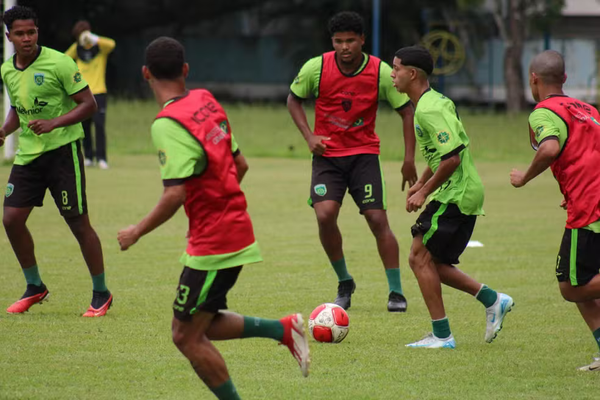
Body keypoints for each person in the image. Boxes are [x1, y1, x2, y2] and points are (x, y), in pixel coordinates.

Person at [117, 37, 310, 399]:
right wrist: (220, 202)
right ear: (186, 70)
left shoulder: (166, 123)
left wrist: (136, 232)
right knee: (198, 322)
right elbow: (240, 164)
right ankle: (283, 329)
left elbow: (174, 194)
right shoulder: (205, 99)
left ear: (145, 74)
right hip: (228, 228)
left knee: (185, 335)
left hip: (215, 239)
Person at [287, 11, 417, 312]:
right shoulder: (316, 68)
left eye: (350, 41)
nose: (344, 47)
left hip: (363, 156)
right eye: (338, 41)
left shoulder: (380, 72)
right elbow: (293, 98)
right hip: (327, 158)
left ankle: (396, 292)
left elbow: (406, 110)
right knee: (324, 215)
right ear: (332, 41)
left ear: (362, 40)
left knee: (376, 219)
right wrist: (309, 136)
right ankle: (345, 281)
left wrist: (409, 159)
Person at [391, 45, 513, 348]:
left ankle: (442, 336)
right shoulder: (431, 103)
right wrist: (420, 185)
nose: (392, 75)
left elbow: (452, 159)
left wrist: (425, 193)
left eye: (395, 69)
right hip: (459, 192)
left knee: (418, 257)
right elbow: (439, 156)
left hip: (455, 194)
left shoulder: (430, 108)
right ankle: (493, 299)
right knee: (433, 263)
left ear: (412, 73)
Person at [1, 6, 112, 317]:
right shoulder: (8, 70)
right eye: (20, 34)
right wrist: (4, 130)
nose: (26, 38)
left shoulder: (60, 63)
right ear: (8, 36)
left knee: (78, 223)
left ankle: (101, 292)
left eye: (31, 32)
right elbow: (17, 110)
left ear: (38, 32)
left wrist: (55, 123)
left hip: (63, 153)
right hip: (28, 156)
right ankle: (34, 286)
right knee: (11, 219)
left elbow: (88, 105)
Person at [510, 50, 600, 371]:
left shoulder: (543, 112)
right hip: (587, 198)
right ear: (564, 78)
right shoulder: (588, 110)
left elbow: (549, 147)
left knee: (571, 285)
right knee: (582, 284)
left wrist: (523, 177)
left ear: (533, 78)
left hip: (590, 208)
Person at [66, 20, 115, 169]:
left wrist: (93, 38)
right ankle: (88, 156)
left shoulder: (100, 47)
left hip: (99, 92)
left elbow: (111, 44)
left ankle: (102, 158)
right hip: (82, 93)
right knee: (84, 126)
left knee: (99, 126)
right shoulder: (77, 48)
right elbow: (65, 58)